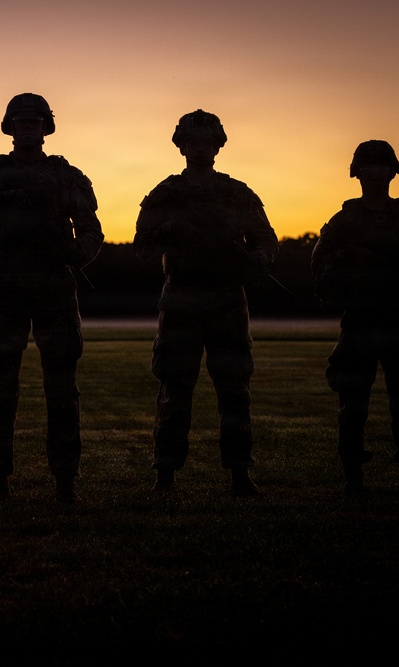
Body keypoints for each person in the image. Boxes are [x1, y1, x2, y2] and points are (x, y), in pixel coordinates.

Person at [0, 93, 104, 503]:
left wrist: (74, 255)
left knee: (62, 390)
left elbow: (91, 231)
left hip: (54, 285)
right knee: (1, 388)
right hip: (6, 284)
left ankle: (65, 480)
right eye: (20, 122)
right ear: (9, 127)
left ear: (45, 126)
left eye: (34, 121)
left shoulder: (65, 176)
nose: (27, 128)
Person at [133, 109, 278, 496]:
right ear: (181, 146)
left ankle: (239, 473)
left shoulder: (236, 193)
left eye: (207, 142)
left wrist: (260, 258)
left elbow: (265, 237)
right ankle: (165, 474)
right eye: (193, 142)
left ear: (218, 146)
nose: (200, 148)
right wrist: (170, 230)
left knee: (234, 390)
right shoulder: (167, 193)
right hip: (181, 298)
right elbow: (142, 248)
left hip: (228, 299)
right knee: (174, 389)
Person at [311, 140, 399, 496]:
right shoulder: (345, 220)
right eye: (367, 166)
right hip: (359, 320)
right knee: (352, 404)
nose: (375, 173)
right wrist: (350, 260)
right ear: (357, 173)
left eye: (381, 166)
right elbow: (320, 263)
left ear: (393, 171)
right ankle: (353, 476)